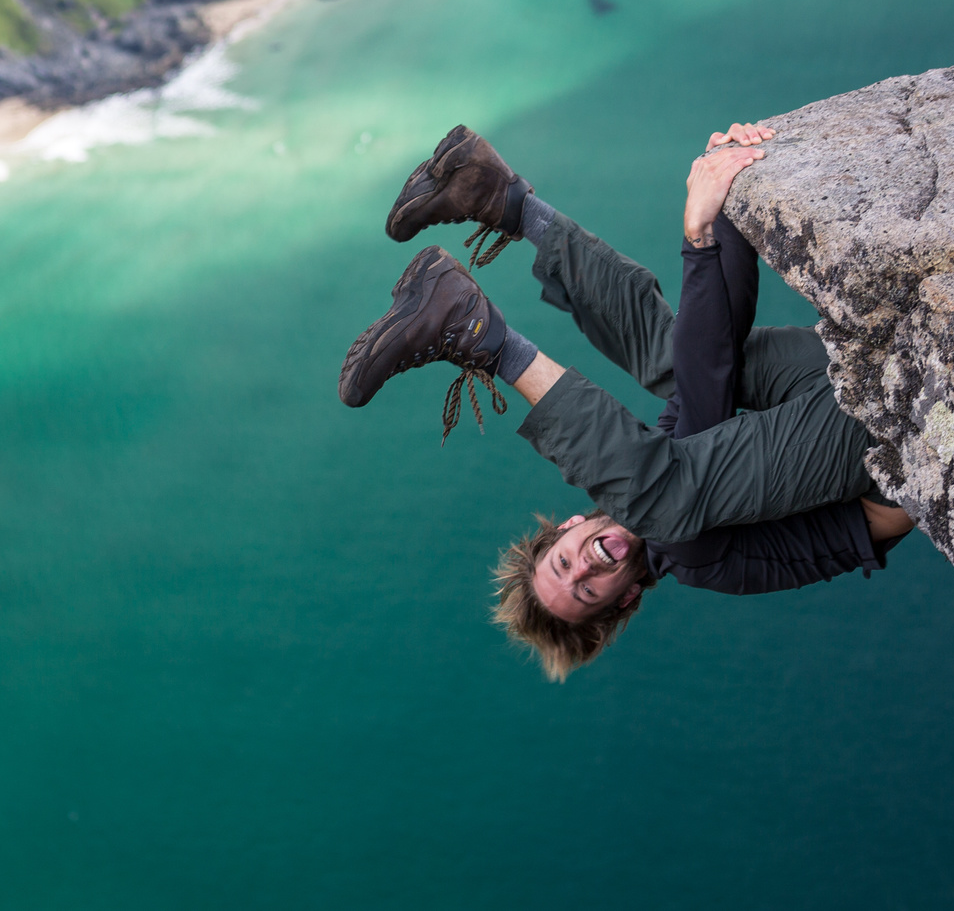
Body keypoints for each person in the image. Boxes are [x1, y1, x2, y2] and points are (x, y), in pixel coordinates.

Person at [337, 123, 913, 679]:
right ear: (625, 599)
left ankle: (502, 199)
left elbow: (706, 367)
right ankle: (486, 341)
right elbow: (702, 413)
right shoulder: (703, 560)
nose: (586, 566)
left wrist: (728, 191)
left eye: (564, 563)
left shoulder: (662, 473)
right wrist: (705, 236)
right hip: (890, 452)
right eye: (587, 589)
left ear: (567, 527)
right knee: (665, 509)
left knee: (672, 365)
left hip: (824, 385)